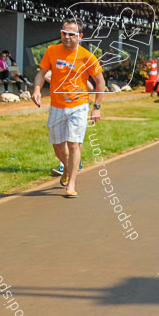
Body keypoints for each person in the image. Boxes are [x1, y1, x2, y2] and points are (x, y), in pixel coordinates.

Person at [31, 18, 105, 197]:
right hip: (57, 105)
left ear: (79, 36)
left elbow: (100, 81)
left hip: (79, 105)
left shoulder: (87, 56)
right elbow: (41, 73)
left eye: (72, 35)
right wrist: (36, 89)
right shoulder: (52, 51)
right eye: (64, 34)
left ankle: (71, 184)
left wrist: (96, 107)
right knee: (57, 145)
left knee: (73, 144)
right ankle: (67, 167)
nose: (67, 38)